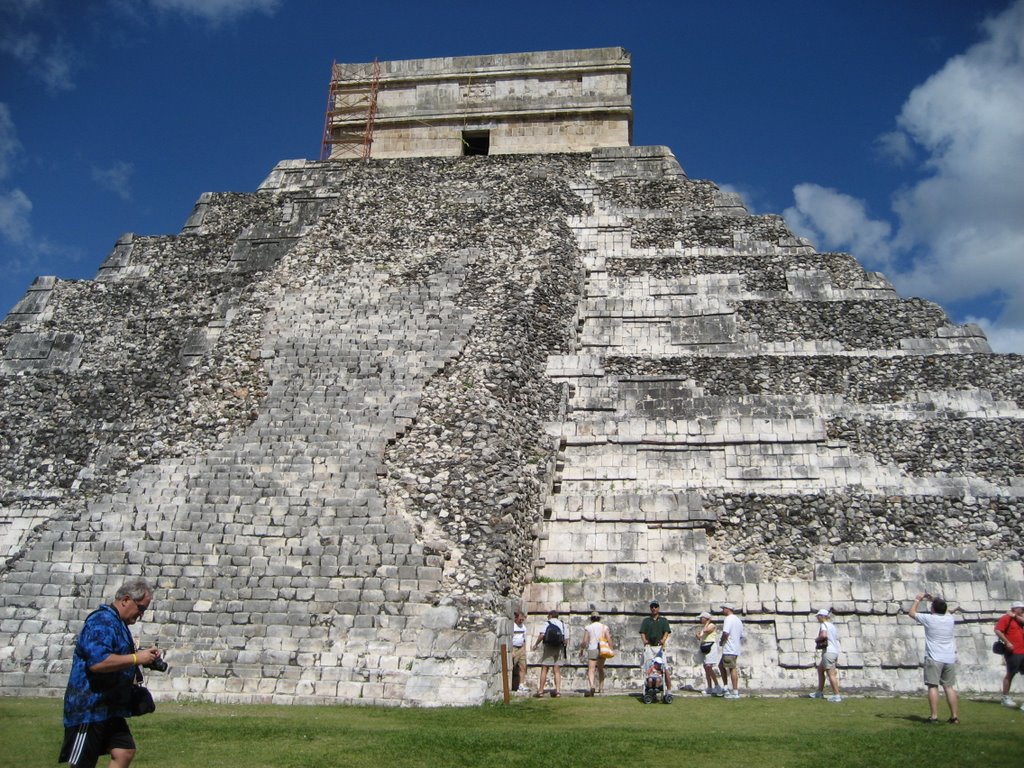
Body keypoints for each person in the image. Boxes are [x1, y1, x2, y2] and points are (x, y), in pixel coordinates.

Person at [59, 578, 162, 768]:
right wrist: (136, 658)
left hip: (108, 707)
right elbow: (98, 663)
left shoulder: (117, 623)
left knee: (124, 751)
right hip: (89, 708)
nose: (141, 614)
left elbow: (119, 656)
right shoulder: (102, 621)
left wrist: (144, 657)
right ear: (126, 599)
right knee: (82, 764)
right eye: (140, 608)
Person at [908, 592, 959, 724]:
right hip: (949, 657)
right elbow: (944, 609)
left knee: (933, 686)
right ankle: (954, 716)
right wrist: (934, 599)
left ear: (933, 609)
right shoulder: (949, 619)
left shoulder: (930, 619)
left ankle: (934, 716)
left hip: (934, 657)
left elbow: (912, 613)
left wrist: (917, 599)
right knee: (949, 687)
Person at [807, 608, 842, 702]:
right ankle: (819, 692)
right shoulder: (832, 626)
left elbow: (824, 635)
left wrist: (817, 639)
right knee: (820, 669)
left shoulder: (823, 625)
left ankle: (837, 695)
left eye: (818, 616)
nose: (817, 618)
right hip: (834, 651)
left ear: (822, 617)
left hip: (828, 652)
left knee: (831, 674)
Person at [994, 601, 1024, 709]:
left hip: (1023, 651)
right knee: (1010, 674)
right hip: (1013, 652)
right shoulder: (1006, 618)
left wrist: (1015, 616)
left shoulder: (1018, 618)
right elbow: (998, 630)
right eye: (1021, 608)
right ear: (1015, 608)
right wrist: (1007, 642)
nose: (1023, 610)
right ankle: (1005, 697)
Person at [639, 600, 672, 691]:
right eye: (652, 607)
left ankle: (668, 689)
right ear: (650, 608)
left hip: (659, 647)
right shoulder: (646, 621)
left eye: (655, 607)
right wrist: (644, 640)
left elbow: (666, 632)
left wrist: (663, 640)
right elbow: (642, 632)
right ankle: (649, 686)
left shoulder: (663, 620)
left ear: (658, 608)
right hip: (649, 646)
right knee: (648, 667)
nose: (654, 608)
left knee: (664, 667)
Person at [533, 610, 566, 697]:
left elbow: (542, 635)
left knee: (544, 668)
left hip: (548, 647)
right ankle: (558, 691)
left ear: (550, 615)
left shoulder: (547, 623)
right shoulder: (562, 624)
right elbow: (566, 639)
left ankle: (540, 691)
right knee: (557, 670)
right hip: (559, 647)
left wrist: (536, 644)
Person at [579, 611, 613, 695]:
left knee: (591, 669)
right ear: (599, 618)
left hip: (592, 649)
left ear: (591, 618)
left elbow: (585, 641)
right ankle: (601, 687)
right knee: (601, 668)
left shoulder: (588, 627)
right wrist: (611, 649)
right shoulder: (604, 627)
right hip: (602, 649)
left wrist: (582, 649)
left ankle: (592, 685)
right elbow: (609, 639)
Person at [695, 611, 724, 696]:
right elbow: (700, 637)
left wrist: (707, 622)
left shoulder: (711, 625)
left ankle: (717, 685)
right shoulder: (704, 627)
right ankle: (709, 687)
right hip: (704, 647)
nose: (700, 619)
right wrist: (698, 635)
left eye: (702, 618)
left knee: (708, 666)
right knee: (706, 667)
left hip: (710, 646)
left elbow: (706, 631)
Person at [718, 603, 743, 698]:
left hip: (729, 648)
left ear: (728, 609)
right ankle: (725, 687)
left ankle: (735, 691)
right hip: (735, 647)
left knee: (732, 668)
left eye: (723, 608)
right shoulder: (738, 620)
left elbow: (725, 633)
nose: (722, 610)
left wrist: (721, 641)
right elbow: (741, 635)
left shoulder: (728, 619)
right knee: (721, 665)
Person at [510, 610, 529, 693]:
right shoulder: (512, 626)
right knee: (512, 667)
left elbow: (524, 639)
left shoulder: (523, 627)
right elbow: (509, 639)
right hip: (513, 648)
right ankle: (511, 685)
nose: (521, 621)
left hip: (521, 648)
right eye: (520, 619)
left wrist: (524, 649)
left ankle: (521, 685)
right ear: (516, 618)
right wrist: (511, 651)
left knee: (522, 666)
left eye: (523, 619)